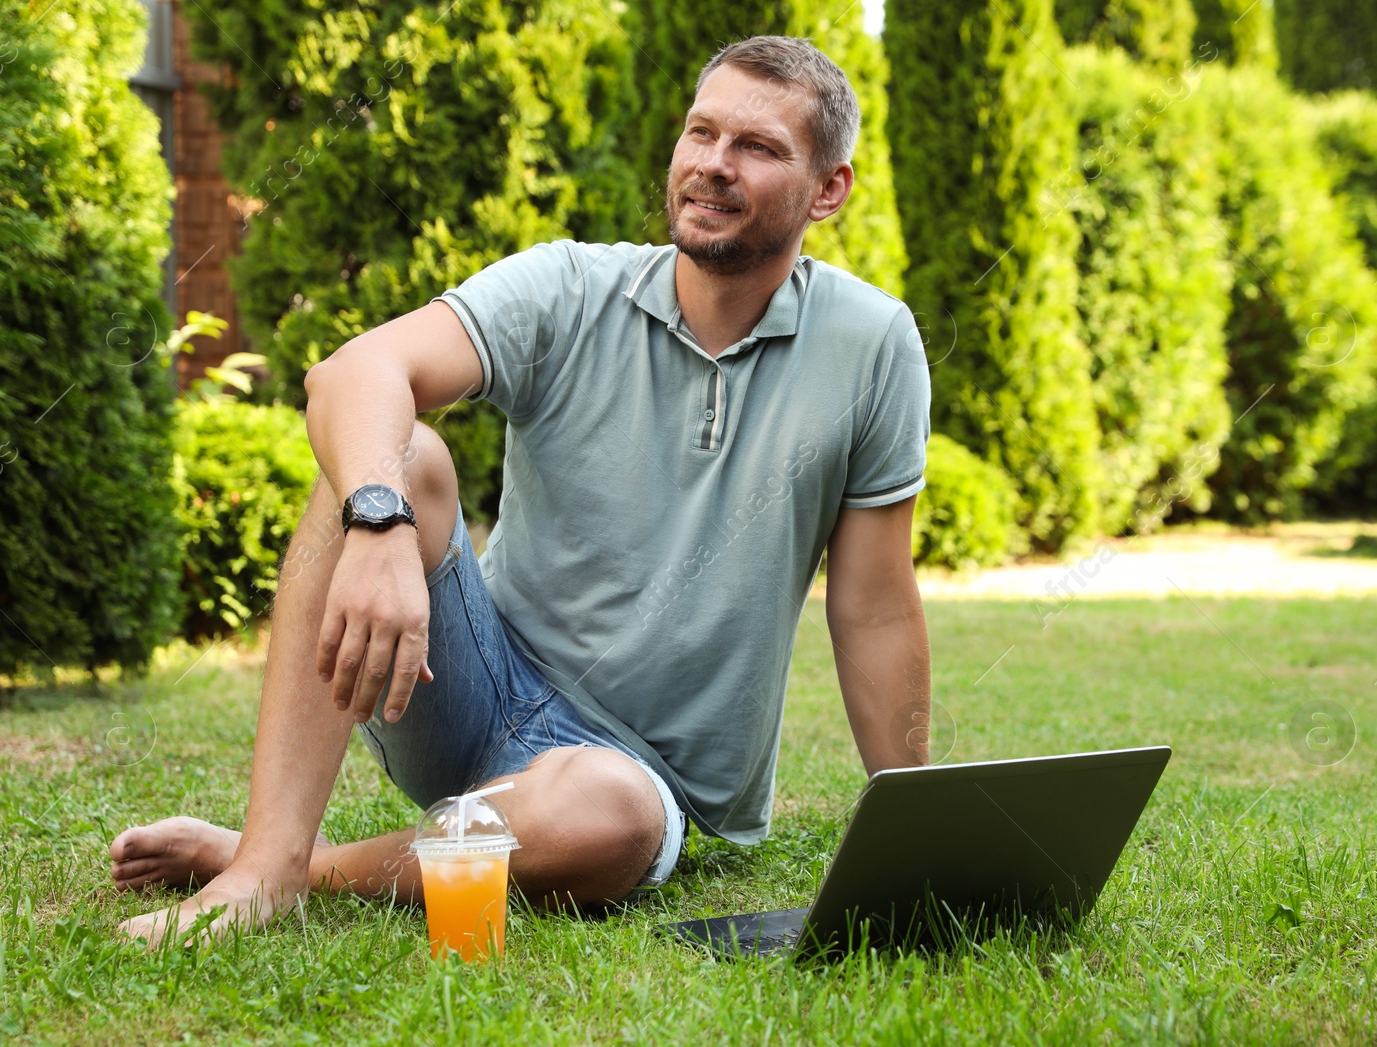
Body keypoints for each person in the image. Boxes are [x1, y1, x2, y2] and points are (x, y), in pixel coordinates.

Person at [110, 35, 933, 947]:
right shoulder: (571, 288)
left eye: (759, 147)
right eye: (702, 133)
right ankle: (261, 869)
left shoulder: (872, 344)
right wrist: (379, 526)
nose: (713, 165)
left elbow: (874, 608)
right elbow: (354, 372)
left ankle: (309, 866)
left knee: (605, 813)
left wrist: (917, 821)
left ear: (829, 188)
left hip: (635, 776)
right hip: (471, 682)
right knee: (398, 453)